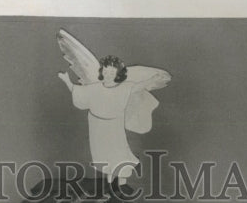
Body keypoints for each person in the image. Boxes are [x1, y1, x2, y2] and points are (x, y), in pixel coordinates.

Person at [58, 47, 170, 184]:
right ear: (101, 72)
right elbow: (79, 93)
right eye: (106, 71)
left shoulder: (123, 87)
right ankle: (111, 176)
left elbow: (138, 87)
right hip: (97, 125)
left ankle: (122, 177)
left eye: (112, 72)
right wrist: (67, 81)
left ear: (117, 73)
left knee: (117, 150)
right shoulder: (95, 87)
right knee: (102, 152)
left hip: (112, 124)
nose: (108, 74)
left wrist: (152, 79)